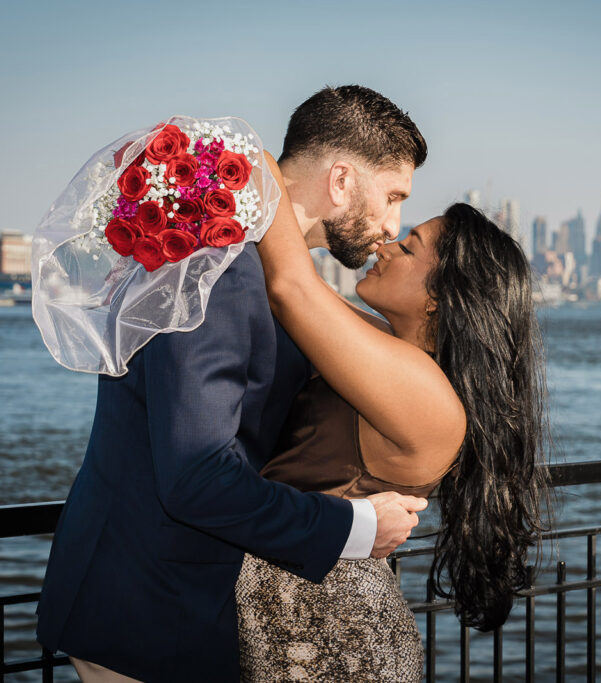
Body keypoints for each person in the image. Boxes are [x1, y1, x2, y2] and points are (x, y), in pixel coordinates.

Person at [35, 86, 430, 683]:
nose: (393, 223)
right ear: (342, 180)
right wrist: (356, 527)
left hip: (171, 600)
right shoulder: (223, 271)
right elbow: (197, 475)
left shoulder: (266, 268)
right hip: (145, 611)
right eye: (393, 194)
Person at [234, 146, 550, 680]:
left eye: (410, 246)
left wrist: (252, 156)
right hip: (303, 615)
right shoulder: (389, 352)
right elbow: (290, 287)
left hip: (335, 635)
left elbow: (291, 287)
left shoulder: (423, 391)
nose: (386, 242)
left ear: (441, 297)